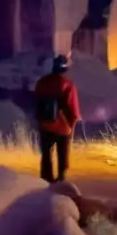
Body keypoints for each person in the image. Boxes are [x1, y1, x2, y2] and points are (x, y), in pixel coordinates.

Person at [33, 53, 81, 183]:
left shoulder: (42, 82)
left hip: (44, 125)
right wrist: (72, 126)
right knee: (62, 154)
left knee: (46, 154)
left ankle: (45, 179)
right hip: (62, 126)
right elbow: (73, 109)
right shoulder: (67, 85)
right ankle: (61, 179)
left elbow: (36, 101)